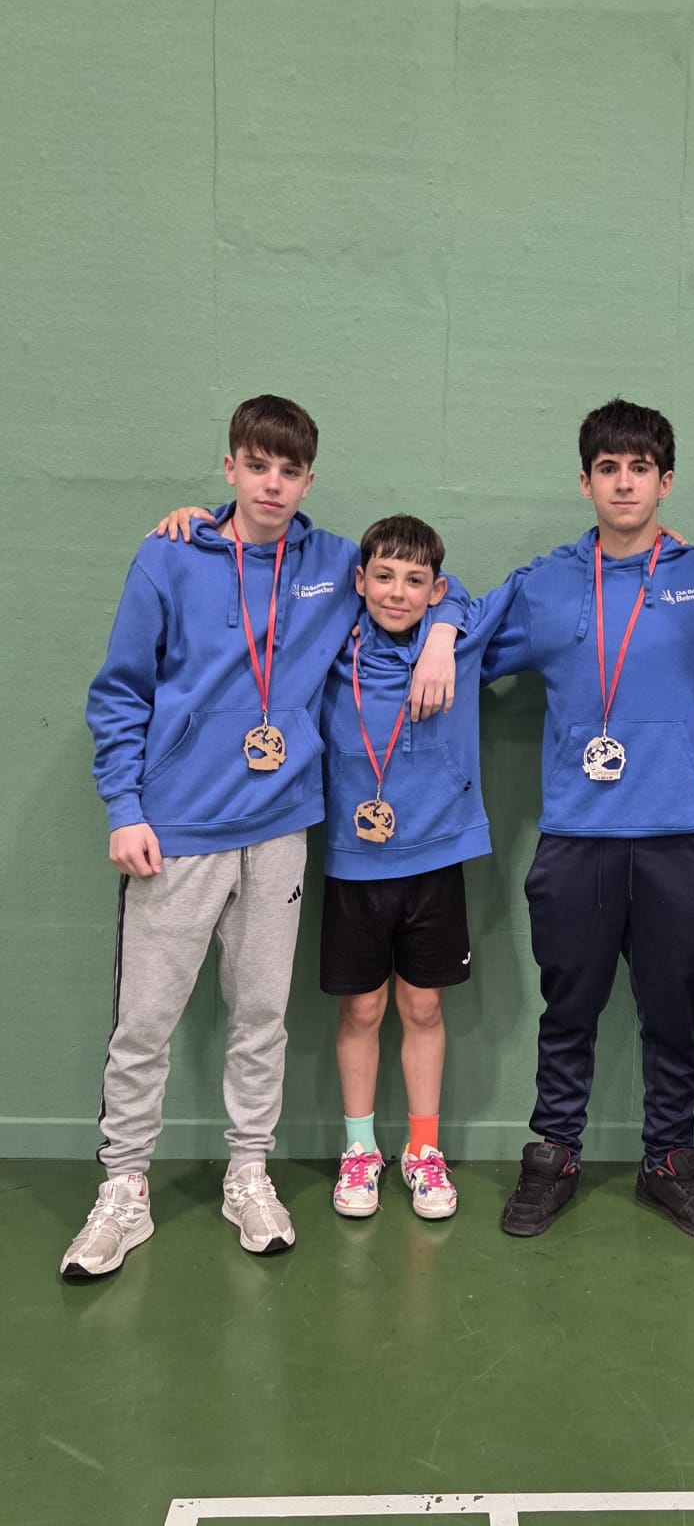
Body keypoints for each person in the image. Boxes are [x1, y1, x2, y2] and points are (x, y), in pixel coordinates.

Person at [62, 398, 463, 1279]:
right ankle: (123, 1187)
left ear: (308, 480)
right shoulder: (171, 554)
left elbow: (436, 580)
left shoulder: (333, 564)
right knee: (145, 1021)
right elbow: (121, 690)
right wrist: (124, 807)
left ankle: (248, 1171)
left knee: (260, 1017)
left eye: (289, 470)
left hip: (280, 831)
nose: (272, 484)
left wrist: (442, 629)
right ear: (231, 467)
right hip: (177, 829)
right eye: (257, 465)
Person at [480, 397, 694, 1241]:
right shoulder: (546, 584)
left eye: (641, 467)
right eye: (608, 467)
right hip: (577, 841)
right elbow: (450, 624)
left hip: (678, 842)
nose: (625, 482)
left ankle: (668, 1159)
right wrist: (431, 643)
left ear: (665, 480)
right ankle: (554, 1154)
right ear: (586, 482)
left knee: (673, 1017)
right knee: (567, 1011)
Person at [319, 514, 535, 1224]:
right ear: (359, 580)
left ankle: (422, 1148)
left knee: (422, 1007)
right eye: (383, 576)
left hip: (436, 860)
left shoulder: (459, 643)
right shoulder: (331, 642)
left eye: (416, 581)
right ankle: (360, 1149)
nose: (397, 592)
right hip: (354, 862)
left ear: (435, 590)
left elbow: (518, 586)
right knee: (362, 1009)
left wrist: (443, 633)